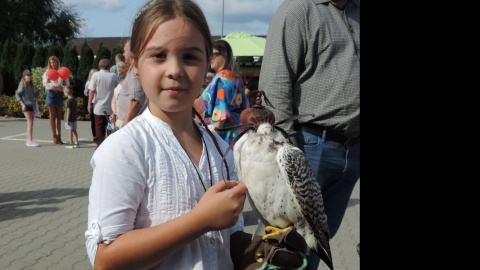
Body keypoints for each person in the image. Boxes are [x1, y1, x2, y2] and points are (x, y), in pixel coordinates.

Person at [259, 0, 360, 268]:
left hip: (353, 151)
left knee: (318, 245)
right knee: (288, 248)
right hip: (307, 147)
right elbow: (275, 88)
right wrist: (286, 155)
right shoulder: (297, 10)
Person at [201, 39, 248, 144]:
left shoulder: (222, 79)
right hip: (235, 130)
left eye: (213, 54)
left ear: (224, 55)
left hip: (222, 133)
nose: (210, 58)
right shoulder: (235, 77)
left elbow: (221, 112)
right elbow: (244, 106)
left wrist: (213, 140)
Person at [87, 59, 118, 147]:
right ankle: (109, 145)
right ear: (109, 66)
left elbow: (91, 91)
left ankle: (99, 145)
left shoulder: (95, 75)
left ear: (99, 66)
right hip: (111, 106)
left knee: (99, 127)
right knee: (110, 126)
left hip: (98, 106)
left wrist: (89, 104)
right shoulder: (113, 76)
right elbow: (118, 88)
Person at [116, 39, 146, 128]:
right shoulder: (132, 69)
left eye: (124, 51)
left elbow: (135, 99)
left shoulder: (135, 71)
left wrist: (126, 122)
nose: (123, 54)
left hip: (130, 121)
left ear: (131, 52)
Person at [42, 55, 70, 144]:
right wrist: (53, 85)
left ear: (57, 62)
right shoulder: (47, 72)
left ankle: (59, 136)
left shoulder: (62, 71)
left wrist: (62, 87)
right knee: (52, 116)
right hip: (51, 94)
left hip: (60, 94)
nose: (53, 64)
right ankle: (54, 135)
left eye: (54, 62)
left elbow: (67, 84)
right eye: (51, 62)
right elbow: (45, 84)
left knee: (58, 116)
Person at [15, 69, 39, 147]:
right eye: (27, 75)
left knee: (31, 122)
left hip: (31, 104)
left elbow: (33, 96)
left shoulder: (31, 85)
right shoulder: (22, 84)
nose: (29, 76)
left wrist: (40, 90)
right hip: (26, 105)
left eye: (30, 75)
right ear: (24, 76)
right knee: (30, 122)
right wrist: (22, 104)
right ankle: (29, 141)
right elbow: (17, 94)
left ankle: (30, 139)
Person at [110, 62, 130, 129]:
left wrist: (115, 113)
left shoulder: (120, 84)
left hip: (120, 118)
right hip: (125, 118)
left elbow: (113, 101)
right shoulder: (130, 85)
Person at [84, 68, 98, 141]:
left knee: (97, 120)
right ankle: (95, 136)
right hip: (93, 102)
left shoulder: (98, 81)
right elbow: (85, 92)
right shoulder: (88, 82)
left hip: (97, 101)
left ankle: (98, 135)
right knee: (93, 120)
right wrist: (88, 92)